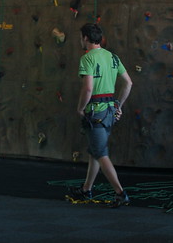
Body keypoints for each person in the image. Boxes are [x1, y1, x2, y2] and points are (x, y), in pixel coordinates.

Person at [70, 23, 133, 207]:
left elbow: (88, 88)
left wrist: (80, 108)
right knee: (95, 152)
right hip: (109, 112)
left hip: (95, 112)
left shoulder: (87, 58)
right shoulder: (112, 57)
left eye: (81, 37)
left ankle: (120, 193)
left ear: (86, 38)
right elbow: (128, 83)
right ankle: (86, 190)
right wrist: (118, 105)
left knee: (100, 153)